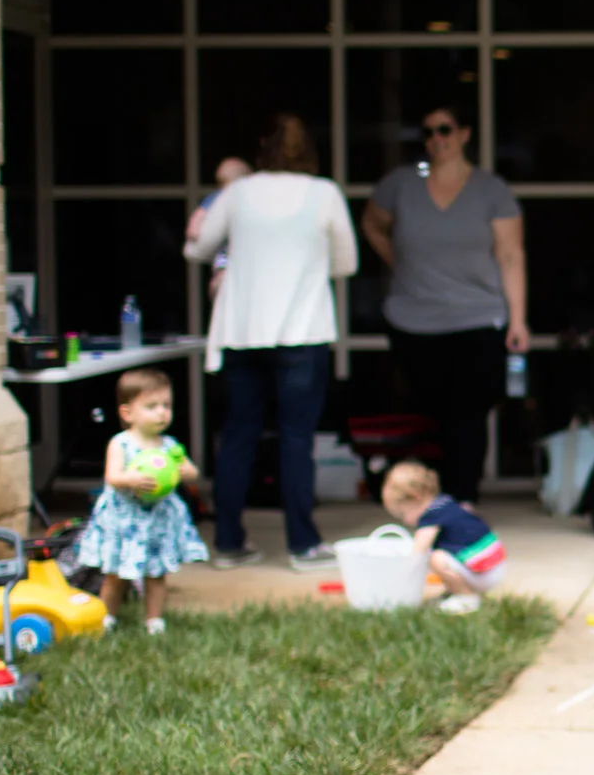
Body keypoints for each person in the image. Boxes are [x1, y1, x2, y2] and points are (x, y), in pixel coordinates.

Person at [186, 112, 357, 572]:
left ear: (264, 148)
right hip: (302, 333)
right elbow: (346, 264)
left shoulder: (238, 193)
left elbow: (198, 249)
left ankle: (227, 542)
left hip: (243, 333)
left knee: (238, 437)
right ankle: (303, 544)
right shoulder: (324, 194)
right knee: (296, 440)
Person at [362, 104, 528, 507]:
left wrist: (518, 319)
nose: (437, 139)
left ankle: (464, 498)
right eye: (429, 132)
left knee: (469, 414)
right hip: (413, 320)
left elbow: (510, 255)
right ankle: (430, 500)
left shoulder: (491, 190)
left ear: (465, 133)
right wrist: (401, 262)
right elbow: (372, 224)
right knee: (429, 415)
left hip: (476, 318)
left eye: (445, 129)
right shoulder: (400, 184)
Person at [74, 367, 207, 634]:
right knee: (116, 573)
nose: (162, 412)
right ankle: (106, 617)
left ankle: (154, 620)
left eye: (166, 405)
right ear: (127, 413)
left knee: (156, 573)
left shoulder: (169, 446)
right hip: (126, 520)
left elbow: (193, 473)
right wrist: (130, 479)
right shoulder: (121, 443)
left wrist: (182, 471)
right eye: (151, 406)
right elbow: (112, 476)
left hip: (156, 520)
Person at [378, 459, 505, 616]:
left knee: (435, 558)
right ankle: (456, 592)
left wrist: (400, 577)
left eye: (403, 513)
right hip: (491, 566)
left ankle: (467, 598)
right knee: (443, 554)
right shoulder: (444, 503)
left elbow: (419, 551)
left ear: (415, 497)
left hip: (484, 573)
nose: (405, 521)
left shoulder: (431, 516)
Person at [187, 155, 250, 304]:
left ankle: (220, 279)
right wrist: (194, 230)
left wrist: (194, 230)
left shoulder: (216, 197)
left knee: (224, 265)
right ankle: (220, 280)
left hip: (229, 249)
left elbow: (198, 216)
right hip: (232, 247)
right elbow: (199, 216)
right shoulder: (224, 198)